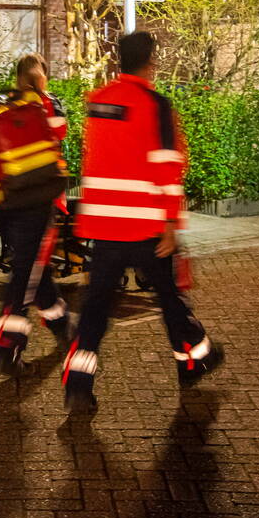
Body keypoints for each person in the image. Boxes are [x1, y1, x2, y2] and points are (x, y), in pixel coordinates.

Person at [61, 31, 223, 414]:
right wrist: (170, 224)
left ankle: (77, 385)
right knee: (168, 300)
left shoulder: (98, 102)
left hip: (103, 227)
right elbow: (168, 166)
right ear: (150, 62)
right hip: (146, 227)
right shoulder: (156, 105)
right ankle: (195, 360)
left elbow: (95, 160)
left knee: (96, 312)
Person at [0, 53, 72, 375]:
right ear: (41, 77)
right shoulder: (46, 104)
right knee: (25, 273)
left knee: (33, 265)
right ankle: (6, 348)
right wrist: (42, 94)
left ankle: (61, 323)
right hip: (32, 200)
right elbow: (60, 134)